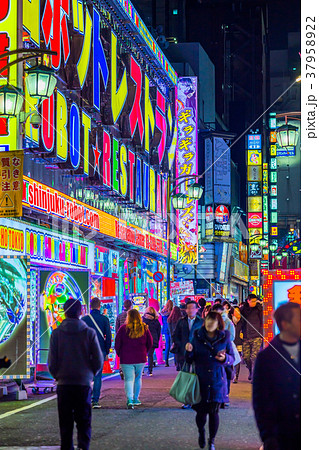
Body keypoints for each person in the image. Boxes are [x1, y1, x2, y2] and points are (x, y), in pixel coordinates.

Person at [48, 298, 103, 450]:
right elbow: (98, 360)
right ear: (81, 312)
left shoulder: (56, 334)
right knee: (84, 422)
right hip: (83, 383)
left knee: (65, 424)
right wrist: (90, 374)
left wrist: (58, 375)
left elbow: (52, 362)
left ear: (64, 312)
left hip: (64, 384)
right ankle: (83, 447)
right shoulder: (88, 333)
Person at [253, 302, 301, 450]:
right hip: (281, 434)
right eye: (300, 319)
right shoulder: (267, 358)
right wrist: (268, 436)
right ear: (285, 324)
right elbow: (261, 401)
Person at [185, 311, 235, 450]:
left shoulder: (225, 338)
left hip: (217, 380)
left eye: (212, 321)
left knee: (214, 412)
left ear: (218, 324)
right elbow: (190, 360)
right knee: (201, 413)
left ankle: (211, 441)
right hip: (200, 379)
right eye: (208, 320)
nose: (209, 324)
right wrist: (188, 351)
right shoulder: (197, 336)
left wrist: (225, 359)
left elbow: (232, 358)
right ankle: (201, 432)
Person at [115, 309, 153, 408]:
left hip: (126, 358)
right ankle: (136, 398)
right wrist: (144, 351)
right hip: (140, 357)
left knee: (128, 379)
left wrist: (120, 354)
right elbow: (150, 343)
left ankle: (130, 399)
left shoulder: (123, 329)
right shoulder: (144, 328)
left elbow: (117, 344)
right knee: (138, 378)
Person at [173, 300, 203, 408]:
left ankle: (195, 399)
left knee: (196, 376)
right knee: (185, 375)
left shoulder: (201, 322)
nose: (190, 310)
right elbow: (175, 336)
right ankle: (186, 400)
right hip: (183, 353)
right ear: (185, 310)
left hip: (197, 353)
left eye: (192, 308)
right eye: (188, 308)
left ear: (197, 309)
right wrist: (182, 345)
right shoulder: (181, 321)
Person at [82, 297, 112, 408]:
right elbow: (108, 336)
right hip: (100, 350)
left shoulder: (84, 319)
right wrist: (107, 349)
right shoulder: (104, 319)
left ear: (90, 306)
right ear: (99, 306)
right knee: (98, 376)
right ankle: (95, 401)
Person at [212, 303, 235, 407]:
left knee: (227, 373)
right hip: (213, 353)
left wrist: (223, 344)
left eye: (220, 314)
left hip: (225, 352)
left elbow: (232, 336)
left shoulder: (228, 322)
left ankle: (225, 397)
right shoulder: (209, 323)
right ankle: (217, 397)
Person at [240, 294, 263, 381]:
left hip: (256, 336)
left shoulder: (259, 309)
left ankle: (254, 375)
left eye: (255, 301)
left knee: (254, 357)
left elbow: (262, 322)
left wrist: (261, 334)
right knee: (246, 357)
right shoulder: (243, 309)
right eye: (252, 301)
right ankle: (250, 370)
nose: (253, 303)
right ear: (248, 300)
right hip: (246, 337)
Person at [142, 307, 161, 376]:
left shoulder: (143, 320)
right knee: (150, 355)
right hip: (153, 339)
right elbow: (158, 332)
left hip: (143, 339)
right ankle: (150, 371)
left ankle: (142, 370)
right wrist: (157, 340)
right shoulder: (156, 321)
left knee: (143, 355)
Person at [232, 306, 244, 383]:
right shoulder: (230, 321)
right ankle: (231, 374)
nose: (237, 313)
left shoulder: (242, 321)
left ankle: (236, 376)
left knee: (238, 359)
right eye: (236, 311)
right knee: (231, 359)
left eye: (238, 311)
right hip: (231, 342)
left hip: (239, 342)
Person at [160, 300, 173, 366]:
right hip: (171, 328)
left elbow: (162, 321)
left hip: (165, 328)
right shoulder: (172, 312)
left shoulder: (162, 312)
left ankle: (166, 362)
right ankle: (176, 362)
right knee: (173, 343)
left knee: (167, 344)